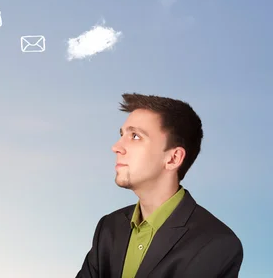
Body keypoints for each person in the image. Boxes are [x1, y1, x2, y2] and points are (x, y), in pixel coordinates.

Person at [76, 93, 243, 278]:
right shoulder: (109, 227)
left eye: (135, 136)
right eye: (122, 134)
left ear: (173, 158)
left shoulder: (216, 244)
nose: (116, 147)